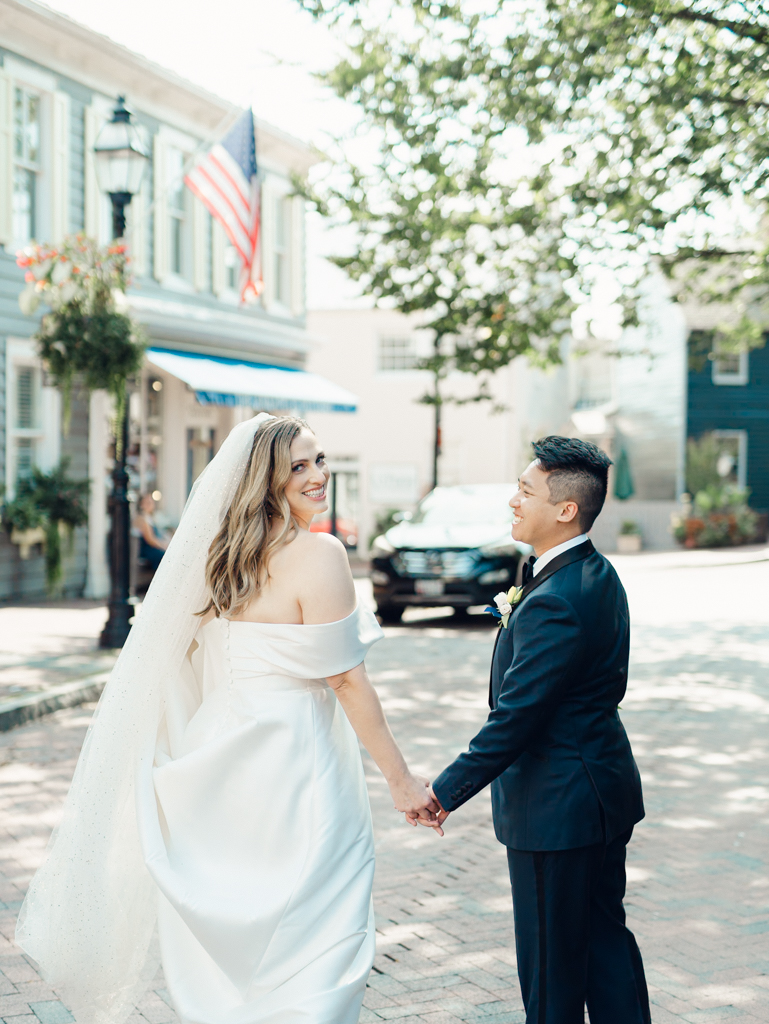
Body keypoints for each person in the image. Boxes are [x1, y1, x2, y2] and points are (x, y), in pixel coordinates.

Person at [17, 414, 442, 1024]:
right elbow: (345, 679)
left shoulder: (220, 558)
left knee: (244, 927)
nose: (318, 476)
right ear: (265, 481)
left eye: (319, 460)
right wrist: (400, 780)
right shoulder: (319, 554)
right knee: (322, 925)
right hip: (299, 759)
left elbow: (184, 657)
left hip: (226, 753)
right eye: (298, 466)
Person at [424, 436, 650, 1024]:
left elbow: (518, 716)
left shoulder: (556, 598)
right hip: (599, 793)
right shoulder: (594, 573)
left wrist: (444, 790)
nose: (513, 502)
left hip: (557, 809)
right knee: (604, 946)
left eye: (526, 492)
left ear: (566, 509)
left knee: (551, 971)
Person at [133, 493, 168, 571]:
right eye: (147, 503)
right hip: (148, 550)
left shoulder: (150, 518)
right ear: (141, 505)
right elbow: (150, 539)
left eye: (151, 502)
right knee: (165, 556)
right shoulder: (142, 519)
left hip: (153, 548)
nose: (151, 505)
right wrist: (163, 546)